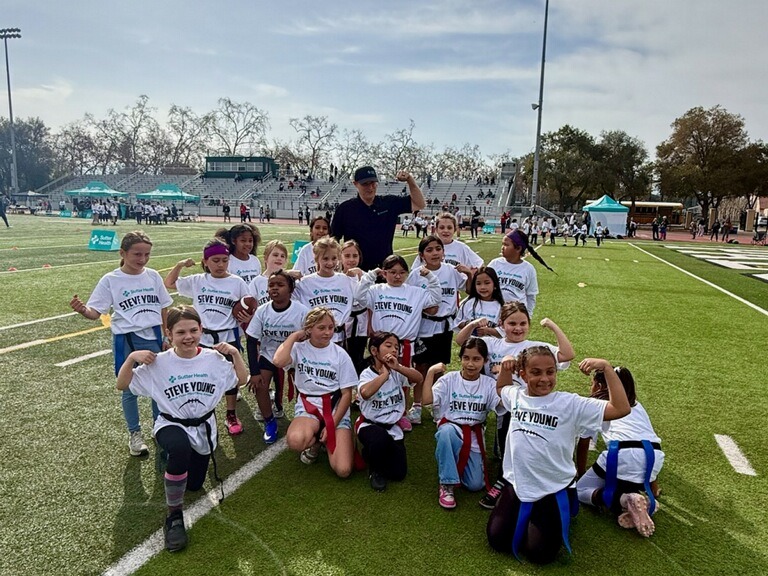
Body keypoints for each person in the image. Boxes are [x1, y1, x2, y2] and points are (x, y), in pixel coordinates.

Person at [116, 305, 247, 552]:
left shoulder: (214, 358)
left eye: (193, 330)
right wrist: (131, 358)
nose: (188, 337)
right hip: (171, 423)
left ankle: (176, 469)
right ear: (169, 334)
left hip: (204, 427)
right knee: (180, 449)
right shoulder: (159, 362)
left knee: (194, 484)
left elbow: (241, 379)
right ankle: (173, 517)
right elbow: (122, 385)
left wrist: (235, 354)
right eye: (181, 332)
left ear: (202, 330)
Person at [486, 350, 630, 564]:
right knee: (497, 540)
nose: (544, 379)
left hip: (551, 488)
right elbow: (501, 389)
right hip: (517, 483)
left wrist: (607, 368)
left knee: (539, 554)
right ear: (523, 375)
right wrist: (506, 368)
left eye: (550, 372)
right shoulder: (516, 395)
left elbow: (621, 408)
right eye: (536, 372)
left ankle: (562, 506)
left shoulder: (570, 404)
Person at [69, 231, 172, 455]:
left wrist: (166, 335)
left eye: (147, 254)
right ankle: (135, 434)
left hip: (154, 336)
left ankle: (159, 427)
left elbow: (164, 307)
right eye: (137, 254)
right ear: (123, 253)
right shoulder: (111, 279)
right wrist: (82, 310)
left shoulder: (153, 276)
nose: (142, 259)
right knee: (129, 388)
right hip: (126, 339)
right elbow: (95, 312)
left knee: (158, 385)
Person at [164, 239, 250, 436]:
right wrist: (179, 265)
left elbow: (247, 305)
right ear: (205, 261)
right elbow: (169, 283)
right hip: (200, 338)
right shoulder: (198, 280)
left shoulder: (236, 282)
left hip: (227, 336)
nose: (220, 265)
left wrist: (246, 314)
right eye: (215, 260)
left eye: (224, 260)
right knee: (201, 378)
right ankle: (204, 414)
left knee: (231, 377)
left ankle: (230, 414)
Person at [575, 366, 664, 538]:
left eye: (592, 384)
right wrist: (654, 487)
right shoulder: (637, 405)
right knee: (624, 477)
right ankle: (640, 502)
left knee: (581, 489)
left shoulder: (596, 405)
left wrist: (581, 472)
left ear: (600, 386)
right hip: (655, 455)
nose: (590, 388)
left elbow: (584, 443)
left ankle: (624, 500)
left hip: (621, 455)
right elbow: (647, 438)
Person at [355, 255, 441, 431]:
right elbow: (359, 296)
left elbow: (435, 299)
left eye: (402, 272)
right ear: (384, 273)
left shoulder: (415, 292)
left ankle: (400, 414)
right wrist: (370, 276)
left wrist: (430, 277)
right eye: (392, 272)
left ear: (407, 274)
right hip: (380, 343)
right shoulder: (376, 289)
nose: (397, 276)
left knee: (403, 380)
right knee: (379, 374)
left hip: (404, 343)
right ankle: (378, 407)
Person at [273, 307, 357, 477]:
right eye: (321, 328)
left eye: (331, 328)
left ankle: (343, 436)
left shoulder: (340, 354)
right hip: (308, 406)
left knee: (343, 470)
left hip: (335, 406)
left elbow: (347, 394)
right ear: (309, 328)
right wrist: (295, 336)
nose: (327, 332)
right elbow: (278, 361)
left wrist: (332, 424)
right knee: (295, 441)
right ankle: (316, 442)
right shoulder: (299, 348)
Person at [421, 338, 500, 509]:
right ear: (460, 359)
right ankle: (446, 484)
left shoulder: (488, 384)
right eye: (466, 358)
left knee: (474, 485)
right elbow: (427, 400)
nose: (470, 364)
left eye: (476, 359)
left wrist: (502, 377)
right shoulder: (449, 379)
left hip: (474, 432)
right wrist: (430, 373)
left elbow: (502, 406)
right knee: (445, 433)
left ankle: (452, 461)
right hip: (452, 427)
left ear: (485, 361)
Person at [406, 235, 470, 425]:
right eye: (429, 250)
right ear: (421, 255)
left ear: (443, 252)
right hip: (424, 326)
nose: (435, 253)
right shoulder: (416, 274)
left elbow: (469, 288)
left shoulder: (451, 271)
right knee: (421, 366)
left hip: (445, 327)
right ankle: (417, 406)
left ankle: (436, 404)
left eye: (438, 249)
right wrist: (424, 308)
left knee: (439, 368)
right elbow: (408, 297)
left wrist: (470, 273)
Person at [246, 270, 309, 442]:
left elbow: (310, 338)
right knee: (260, 385)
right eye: (271, 285)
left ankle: (305, 417)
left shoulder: (302, 311)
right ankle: (270, 422)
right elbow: (251, 341)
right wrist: (254, 372)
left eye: (280, 285)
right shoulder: (262, 311)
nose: (274, 288)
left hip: (295, 355)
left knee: (306, 386)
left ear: (290, 289)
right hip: (270, 354)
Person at [356, 332, 423, 491]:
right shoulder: (367, 374)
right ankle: (375, 471)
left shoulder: (397, 372)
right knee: (379, 439)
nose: (394, 350)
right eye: (388, 346)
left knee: (398, 473)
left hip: (393, 427)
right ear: (374, 351)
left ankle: (371, 454)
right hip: (370, 425)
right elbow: (365, 393)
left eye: (396, 347)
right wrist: (384, 375)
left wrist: (398, 367)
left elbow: (418, 378)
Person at [331, 166, 426, 271]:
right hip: (356, 271)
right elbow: (333, 240)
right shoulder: (345, 209)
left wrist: (410, 180)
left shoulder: (388, 203)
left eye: (373, 183)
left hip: (384, 271)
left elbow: (419, 204)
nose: (370, 187)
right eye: (365, 184)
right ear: (355, 184)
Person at [293, 237, 357, 346]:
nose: (330, 262)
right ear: (317, 258)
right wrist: (287, 274)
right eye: (325, 258)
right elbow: (281, 292)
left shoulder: (346, 281)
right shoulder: (305, 283)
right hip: (314, 340)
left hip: (339, 339)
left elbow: (361, 300)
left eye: (334, 258)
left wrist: (360, 275)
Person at [487, 230, 553, 316]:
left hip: (516, 316)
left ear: (518, 248)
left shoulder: (528, 269)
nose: (502, 247)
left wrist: (527, 316)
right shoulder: (495, 264)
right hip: (493, 313)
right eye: (502, 244)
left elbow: (531, 296)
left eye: (506, 245)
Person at [412, 212, 483, 281]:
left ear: (454, 230)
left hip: (451, 291)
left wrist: (470, 274)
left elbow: (479, 264)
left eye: (449, 228)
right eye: (442, 228)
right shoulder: (427, 246)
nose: (445, 231)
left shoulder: (461, 247)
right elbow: (414, 271)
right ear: (436, 229)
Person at [340, 240, 367, 375]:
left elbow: (371, 302)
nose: (351, 260)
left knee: (358, 356)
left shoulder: (366, 276)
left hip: (361, 322)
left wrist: (361, 277)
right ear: (340, 257)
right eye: (347, 256)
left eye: (355, 256)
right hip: (344, 324)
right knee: (343, 358)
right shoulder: (337, 278)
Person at [454, 266, 505, 334]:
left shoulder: (501, 306)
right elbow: (458, 323)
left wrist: (489, 330)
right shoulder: (468, 303)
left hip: (492, 343)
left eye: (487, 283)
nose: (482, 287)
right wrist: (471, 324)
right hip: (470, 343)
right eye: (478, 283)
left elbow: (504, 331)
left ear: (495, 285)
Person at [248, 239, 289, 308]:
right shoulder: (257, 282)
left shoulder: (289, 280)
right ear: (266, 258)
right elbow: (250, 305)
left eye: (282, 256)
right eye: (275, 255)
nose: (279, 258)